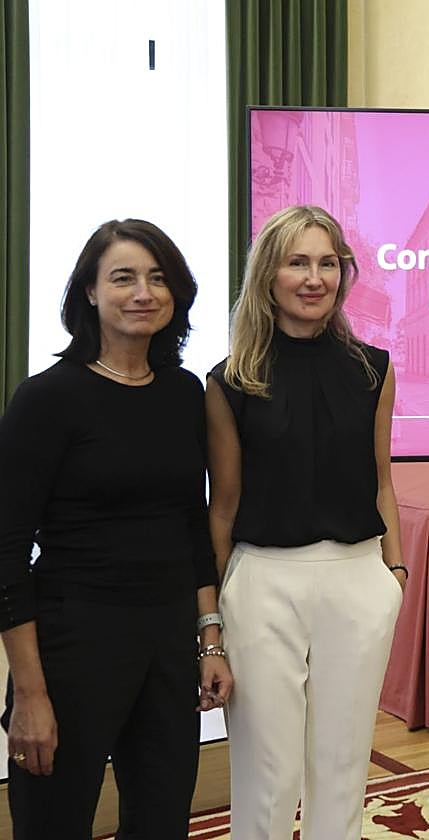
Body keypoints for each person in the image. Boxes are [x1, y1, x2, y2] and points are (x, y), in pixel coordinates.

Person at [0, 219, 233, 839]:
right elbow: (5, 552)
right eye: (123, 277)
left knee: (160, 824)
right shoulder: (46, 399)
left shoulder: (185, 393)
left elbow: (191, 521)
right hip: (73, 644)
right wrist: (28, 694)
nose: (143, 292)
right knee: (53, 825)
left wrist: (209, 638)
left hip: (165, 646)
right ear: (89, 293)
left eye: (158, 278)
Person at [207, 204, 405, 840]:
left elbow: (382, 479)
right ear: (269, 275)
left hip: (358, 576)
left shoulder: (375, 368)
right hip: (262, 580)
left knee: (344, 767)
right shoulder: (231, 380)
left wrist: (394, 573)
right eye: (298, 262)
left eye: (328, 263)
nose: (314, 277)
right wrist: (209, 618)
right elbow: (223, 506)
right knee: (269, 773)